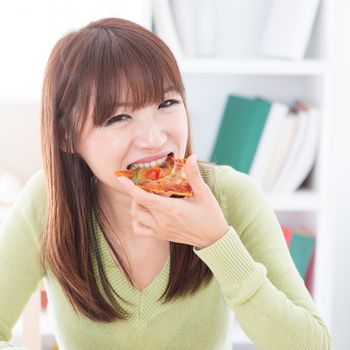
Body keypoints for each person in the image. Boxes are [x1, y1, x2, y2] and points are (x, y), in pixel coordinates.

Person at [0, 17, 332, 350]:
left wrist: (216, 241)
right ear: (67, 136)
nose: (155, 137)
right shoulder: (48, 203)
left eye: (167, 103)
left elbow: (313, 345)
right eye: (118, 117)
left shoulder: (231, 197)